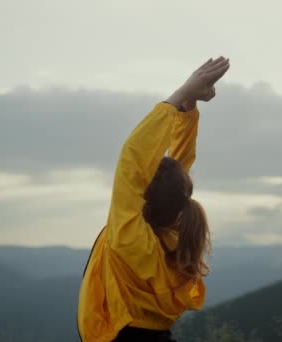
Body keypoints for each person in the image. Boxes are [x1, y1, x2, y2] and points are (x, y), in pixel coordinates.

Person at [77, 56, 231, 342]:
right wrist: (187, 110)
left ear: (141, 199)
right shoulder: (172, 238)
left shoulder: (130, 239)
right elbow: (175, 176)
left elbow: (132, 159)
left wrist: (181, 95)